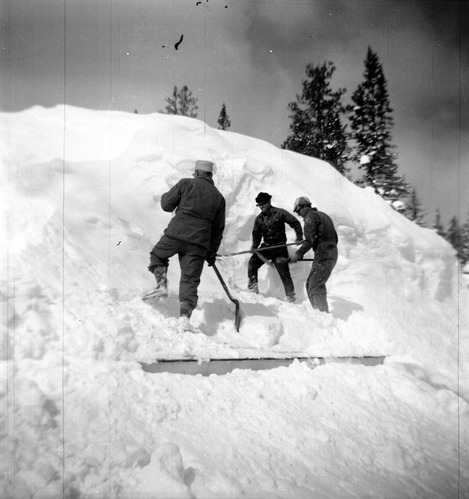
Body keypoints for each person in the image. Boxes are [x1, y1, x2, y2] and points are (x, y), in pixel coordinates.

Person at [144, 160, 226, 322]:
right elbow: (218, 229)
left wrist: (166, 197)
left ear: (196, 173)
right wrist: (211, 253)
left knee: (158, 256)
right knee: (190, 279)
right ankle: (184, 318)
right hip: (199, 243)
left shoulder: (186, 184)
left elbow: (166, 205)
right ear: (210, 175)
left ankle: (161, 285)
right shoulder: (218, 197)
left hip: (176, 234)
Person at [248, 192, 303, 302]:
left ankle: (291, 297)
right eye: (259, 205)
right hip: (266, 248)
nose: (261, 207)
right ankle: (253, 289)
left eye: (263, 204)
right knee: (253, 263)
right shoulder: (259, 219)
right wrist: (254, 246)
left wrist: (299, 237)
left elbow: (295, 223)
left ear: (269, 202)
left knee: (284, 273)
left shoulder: (280, 213)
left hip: (280, 248)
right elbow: (256, 234)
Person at [289, 196, 338, 313]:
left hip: (323, 255)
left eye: (298, 211)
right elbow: (334, 238)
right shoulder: (323, 216)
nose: (299, 215)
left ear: (305, 207)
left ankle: (322, 316)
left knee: (314, 286)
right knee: (313, 284)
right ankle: (321, 312)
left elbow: (310, 240)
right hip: (331, 254)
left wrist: (298, 254)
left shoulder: (310, 217)